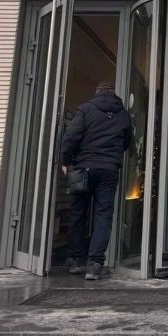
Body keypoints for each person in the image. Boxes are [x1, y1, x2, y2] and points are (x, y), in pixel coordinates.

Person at [60, 81, 132, 281]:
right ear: (114, 94)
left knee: (78, 212)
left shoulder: (86, 109)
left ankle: (75, 259)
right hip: (109, 169)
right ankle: (95, 264)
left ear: (97, 93)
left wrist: (65, 160)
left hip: (84, 167)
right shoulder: (123, 115)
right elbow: (126, 142)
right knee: (103, 215)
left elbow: (71, 136)